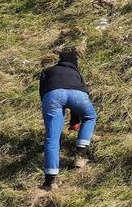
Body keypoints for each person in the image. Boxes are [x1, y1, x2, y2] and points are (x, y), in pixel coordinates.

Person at [39, 50, 98, 190]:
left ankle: (50, 180)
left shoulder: (48, 71)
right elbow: (82, 91)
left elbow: (43, 92)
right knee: (90, 117)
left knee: (52, 137)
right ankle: (81, 153)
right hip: (78, 95)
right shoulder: (77, 73)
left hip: (52, 96)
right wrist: (74, 120)